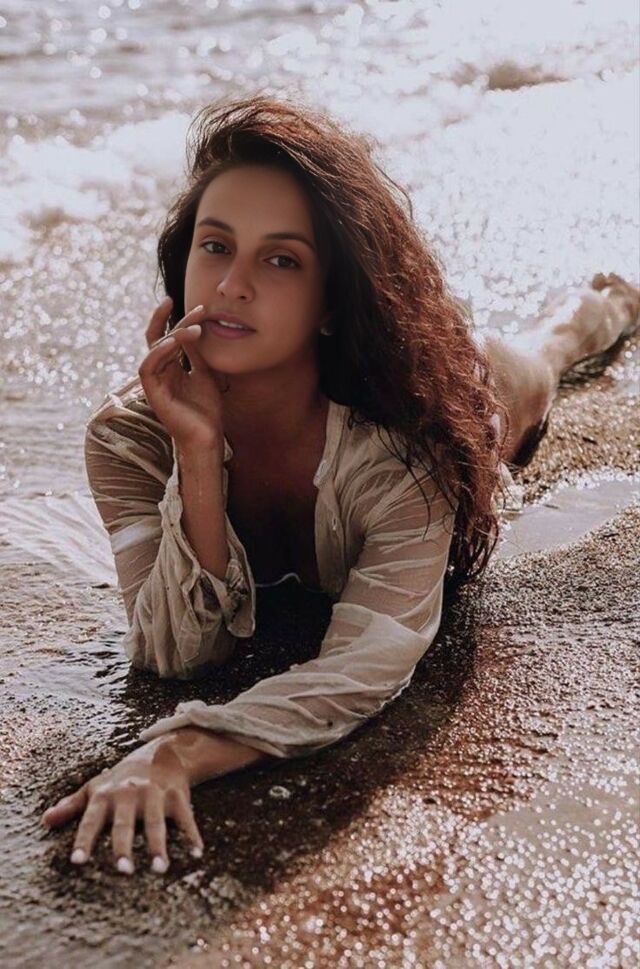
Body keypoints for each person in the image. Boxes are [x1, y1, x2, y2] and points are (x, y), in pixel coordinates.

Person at [40, 95, 639, 876]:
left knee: (536, 366)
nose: (233, 285)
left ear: (330, 300)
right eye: (215, 246)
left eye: (281, 259)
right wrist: (198, 452)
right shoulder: (130, 436)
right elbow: (177, 654)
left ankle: (596, 311)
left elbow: (365, 665)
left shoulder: (408, 450)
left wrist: (180, 750)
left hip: (463, 392)